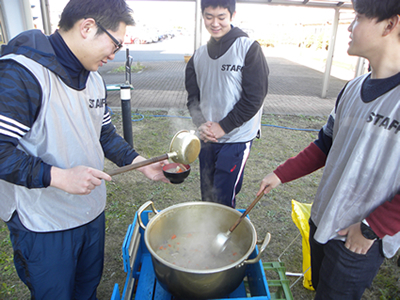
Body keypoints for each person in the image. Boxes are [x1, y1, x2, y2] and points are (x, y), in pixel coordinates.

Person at [0, 0, 169, 299]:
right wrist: (58, 177)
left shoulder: (94, 80)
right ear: (88, 27)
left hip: (90, 212)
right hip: (44, 223)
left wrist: (141, 163)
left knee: (86, 289)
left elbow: (104, 135)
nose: (114, 55)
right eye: (114, 44)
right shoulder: (22, 73)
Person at [257, 0, 400, 298]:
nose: (349, 27)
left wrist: (373, 227)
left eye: (358, 18)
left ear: (390, 24)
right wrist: (280, 174)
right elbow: (326, 143)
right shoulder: (351, 88)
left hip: (357, 236)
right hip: (323, 217)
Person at [185, 0, 269, 208]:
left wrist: (223, 126)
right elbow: (192, 98)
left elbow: (254, 98)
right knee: (207, 193)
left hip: (236, 138)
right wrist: (201, 124)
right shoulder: (198, 55)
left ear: (232, 15)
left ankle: (224, 237)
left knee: (223, 197)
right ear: (202, 15)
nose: (215, 23)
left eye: (221, 17)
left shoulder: (249, 48)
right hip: (207, 137)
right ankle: (209, 234)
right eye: (209, 16)